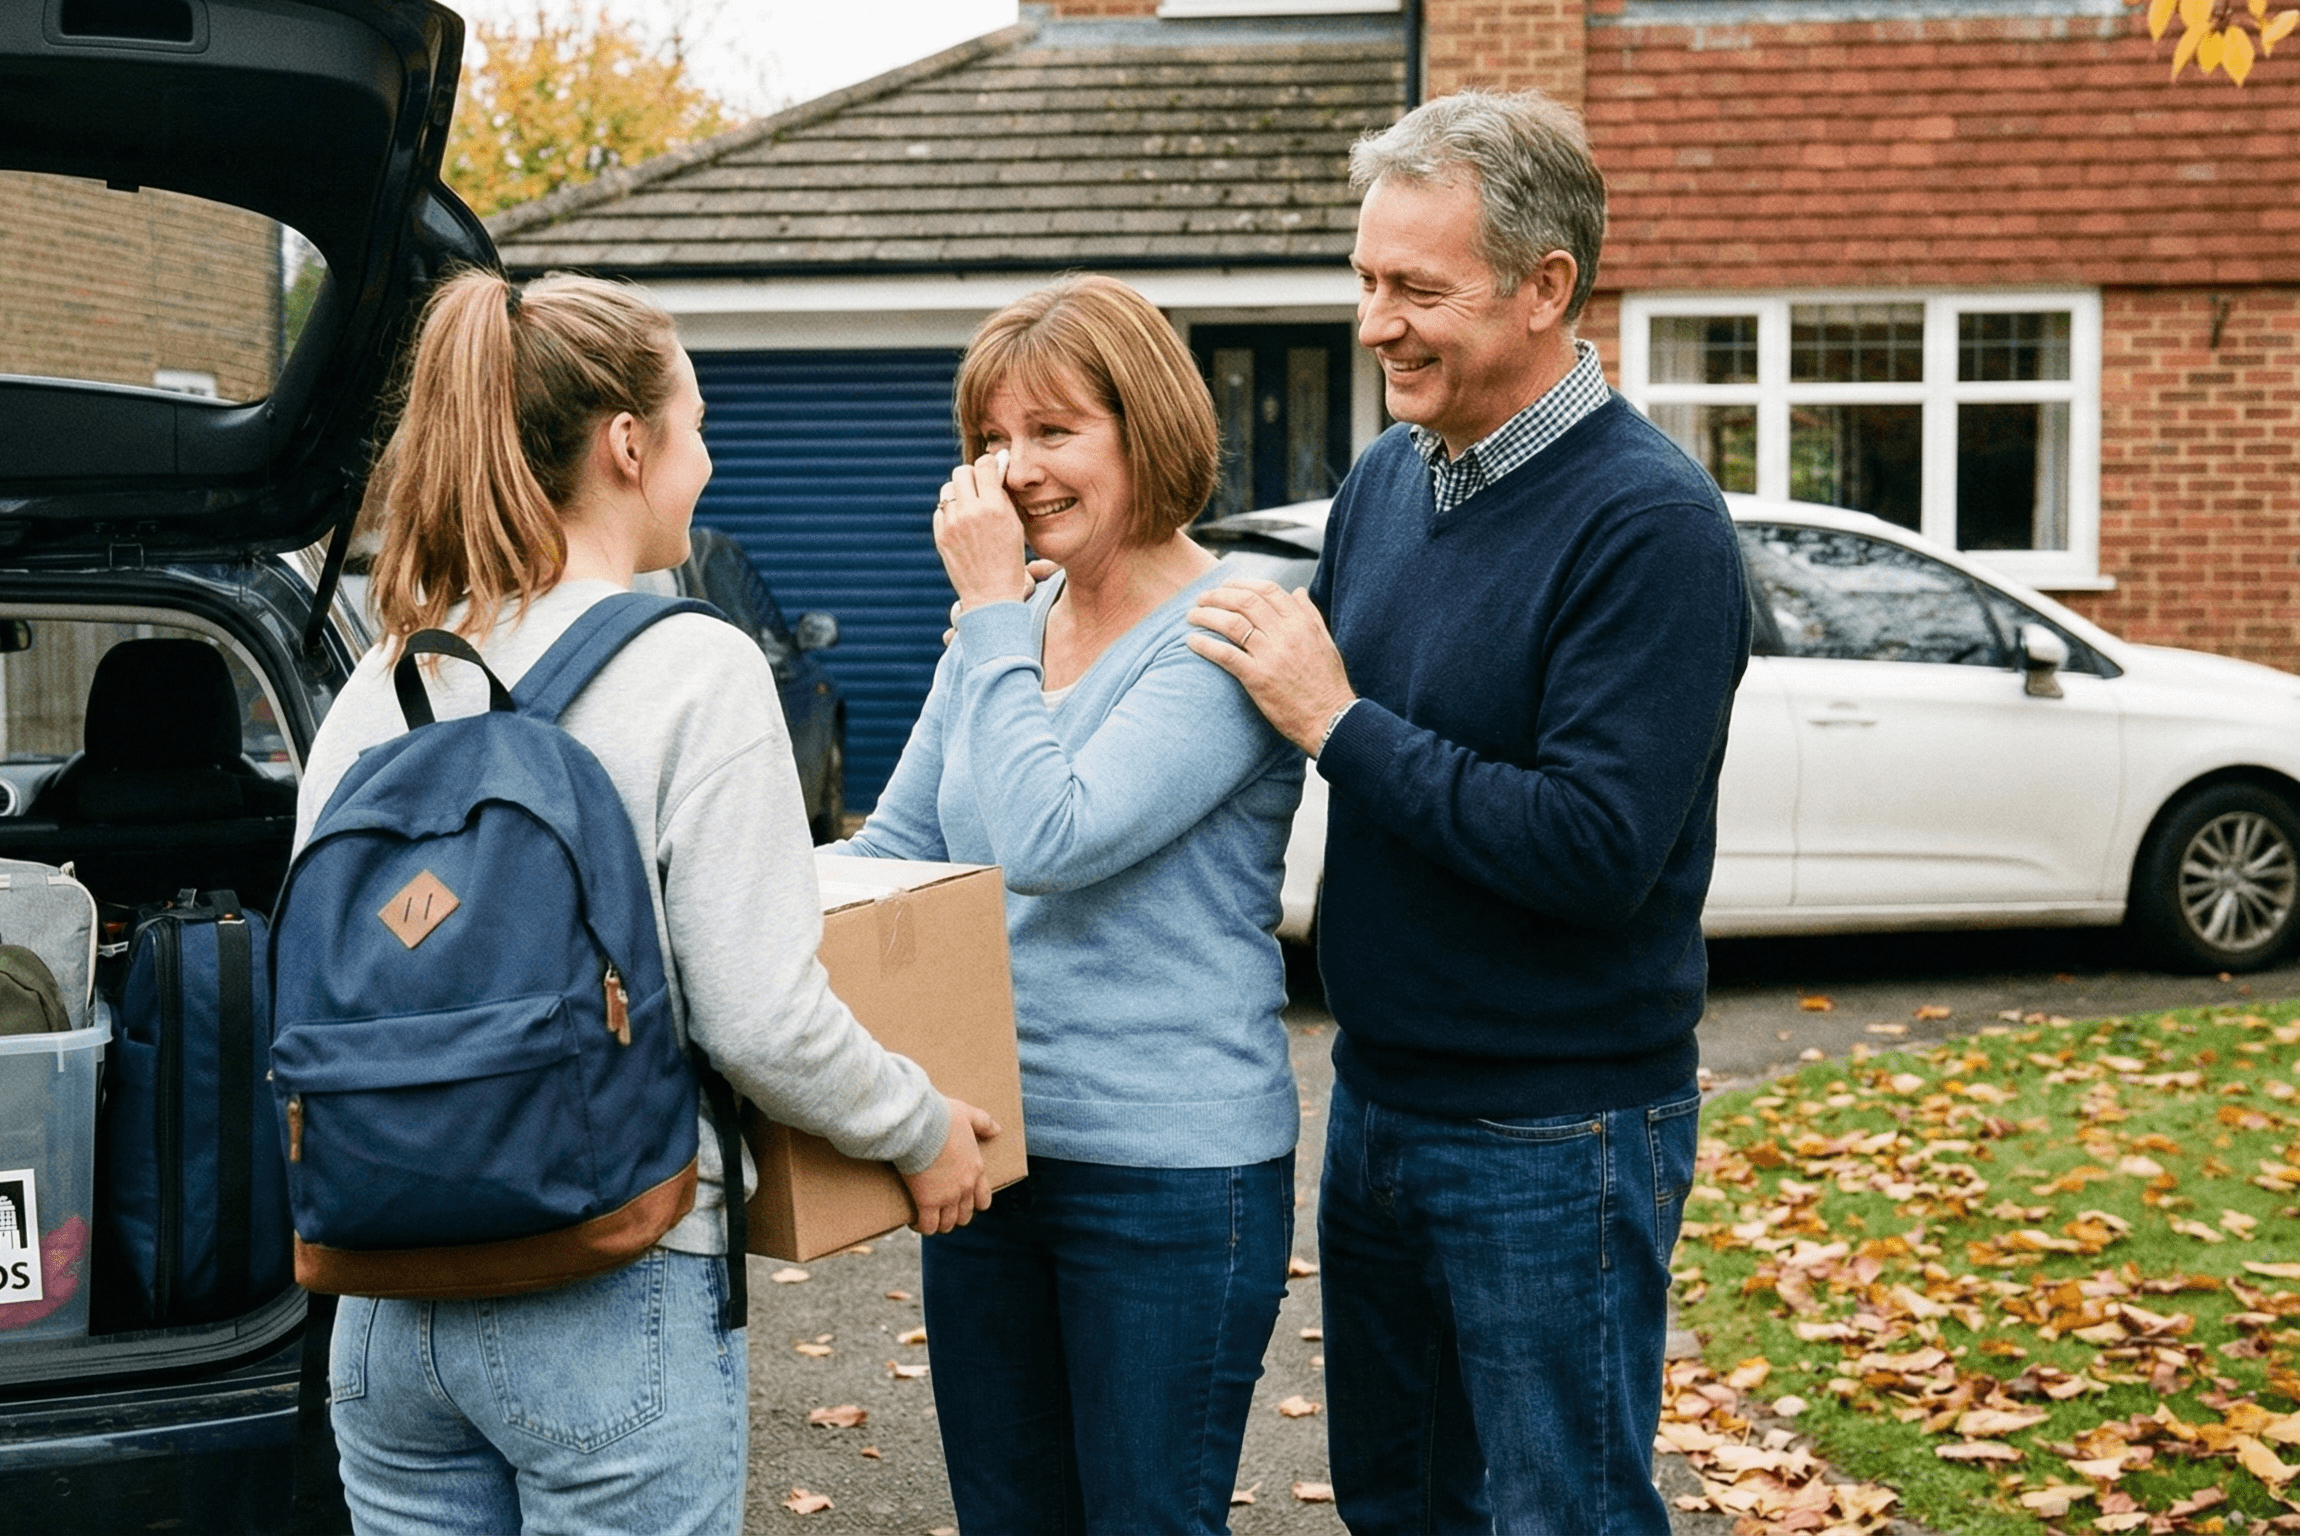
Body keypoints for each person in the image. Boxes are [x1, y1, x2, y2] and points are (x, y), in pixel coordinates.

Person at [291, 269, 998, 1536]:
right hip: (607, 1287)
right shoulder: (691, 666)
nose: (708, 459)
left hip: (382, 1318)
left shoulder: (381, 681)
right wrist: (920, 1125)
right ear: (628, 443)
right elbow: (758, 1015)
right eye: (699, 423)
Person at [1186, 91, 1753, 1535]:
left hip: (1557, 1131)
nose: (1376, 323)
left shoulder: (1652, 525)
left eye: (1416, 290)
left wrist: (1342, 724)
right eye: (1368, 282)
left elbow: (1593, 850)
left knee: (1563, 1511)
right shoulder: (1389, 480)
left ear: (1545, 287)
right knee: (1399, 1501)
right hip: (1381, 1102)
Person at [838, 273, 1306, 1535]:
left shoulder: (1230, 629)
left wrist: (984, 614)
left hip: (1168, 1174)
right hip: (988, 1157)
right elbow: (897, 846)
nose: (1014, 472)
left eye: (1052, 432)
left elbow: (1054, 838)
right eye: (991, 441)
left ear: (1141, 428)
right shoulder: (1011, 626)